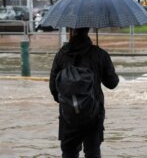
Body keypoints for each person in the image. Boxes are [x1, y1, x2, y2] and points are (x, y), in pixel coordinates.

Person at [49, 27, 119, 158]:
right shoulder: (99, 54)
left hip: (68, 115)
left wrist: (70, 102)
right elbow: (112, 83)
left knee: (69, 152)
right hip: (93, 114)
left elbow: (53, 88)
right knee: (92, 152)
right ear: (88, 30)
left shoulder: (61, 55)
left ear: (71, 30)